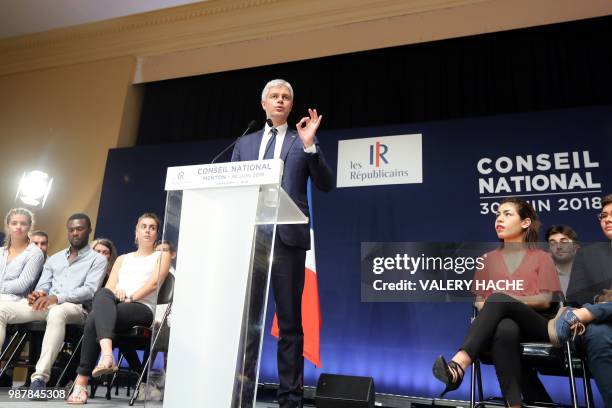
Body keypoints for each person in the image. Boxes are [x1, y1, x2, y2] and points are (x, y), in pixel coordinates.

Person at [231, 79, 334, 407]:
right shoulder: (244, 144)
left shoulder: (300, 139)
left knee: (290, 321)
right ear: (264, 104)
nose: (280, 100)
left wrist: (310, 146)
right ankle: (240, 391)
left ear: (291, 105)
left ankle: (290, 399)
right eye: (274, 96)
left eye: (286, 97)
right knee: (247, 321)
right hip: (252, 240)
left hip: (287, 240)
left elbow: (326, 184)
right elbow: (233, 189)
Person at [432, 198, 561, 408]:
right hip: (499, 327)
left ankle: (460, 363)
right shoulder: (487, 259)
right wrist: (500, 305)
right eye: (497, 215)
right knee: (505, 328)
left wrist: (506, 300)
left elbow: (545, 301)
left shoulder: (542, 257)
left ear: (525, 223)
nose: (499, 219)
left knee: (500, 299)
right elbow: (480, 303)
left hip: (538, 325)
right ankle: (513, 405)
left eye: (507, 214)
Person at [67, 213, 171, 404]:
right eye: (143, 226)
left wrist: (130, 297)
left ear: (156, 233)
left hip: (142, 308)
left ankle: (82, 383)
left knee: (93, 318)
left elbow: (154, 284)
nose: (147, 230)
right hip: (117, 306)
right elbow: (110, 288)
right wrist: (118, 293)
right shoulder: (122, 258)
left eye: (152, 227)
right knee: (101, 295)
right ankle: (107, 356)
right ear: (136, 231)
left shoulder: (161, 256)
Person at [0, 213, 106, 396]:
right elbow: (44, 285)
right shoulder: (55, 259)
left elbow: (89, 291)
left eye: (79, 229)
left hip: (76, 308)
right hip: (48, 304)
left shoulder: (98, 259)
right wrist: (38, 294)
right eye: (71, 229)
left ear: (88, 230)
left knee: (57, 312)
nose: (75, 233)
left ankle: (39, 379)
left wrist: (57, 298)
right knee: (1, 309)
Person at [550, 194, 612, 407]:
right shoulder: (590, 254)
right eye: (603, 215)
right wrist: (598, 298)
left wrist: (595, 309)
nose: (607, 219)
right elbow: (575, 295)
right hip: (602, 328)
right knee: (598, 334)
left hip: (595, 316)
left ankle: (594, 312)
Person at [0, 208, 45, 301]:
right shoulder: (1, 251)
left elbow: (21, 285)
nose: (18, 226)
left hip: (15, 301)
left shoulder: (35, 253)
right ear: (8, 226)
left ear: (29, 227)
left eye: (23, 223)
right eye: (14, 223)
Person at [545, 225, 579, 296]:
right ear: (549, 251)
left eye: (564, 242)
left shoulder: (592, 275)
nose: (558, 247)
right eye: (553, 244)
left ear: (576, 247)